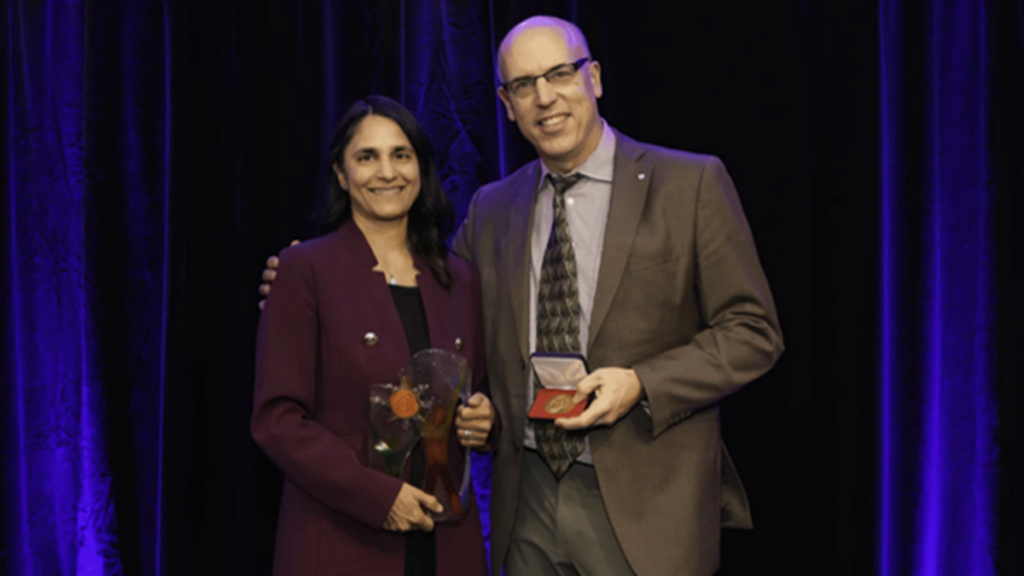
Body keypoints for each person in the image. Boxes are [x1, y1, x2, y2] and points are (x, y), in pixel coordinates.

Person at [262, 16, 783, 576]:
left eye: (559, 73)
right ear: (507, 105)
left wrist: (642, 383)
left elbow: (753, 331)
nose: (544, 98)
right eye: (523, 85)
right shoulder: (492, 209)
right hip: (526, 501)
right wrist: (310, 273)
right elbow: (426, 300)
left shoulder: (691, 184)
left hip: (646, 504)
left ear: (596, 78)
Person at [251, 95, 496, 576]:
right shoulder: (305, 270)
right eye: (367, 157)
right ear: (342, 175)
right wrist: (379, 497)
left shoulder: (460, 278)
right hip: (343, 540)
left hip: (449, 545)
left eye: (401, 155)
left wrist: (486, 419)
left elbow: (477, 392)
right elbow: (276, 420)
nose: (387, 171)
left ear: (421, 167)